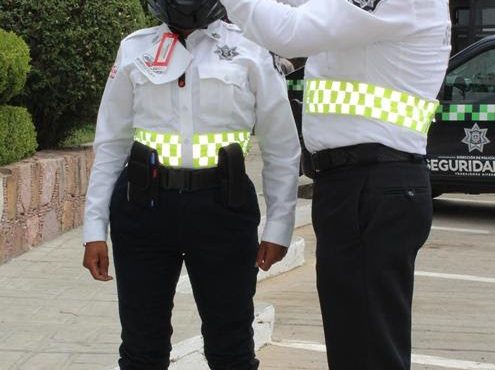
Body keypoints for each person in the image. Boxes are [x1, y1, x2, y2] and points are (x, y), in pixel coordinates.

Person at [218, 0, 451, 369]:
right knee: (355, 347)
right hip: (359, 184)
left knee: (368, 352)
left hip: (370, 184)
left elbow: (289, 31)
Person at [81, 0, 301, 368]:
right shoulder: (135, 49)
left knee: (231, 348)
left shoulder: (249, 49)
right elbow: (110, 144)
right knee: (140, 349)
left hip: (223, 210)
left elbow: (281, 147)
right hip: (143, 210)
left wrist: (279, 227)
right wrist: (93, 229)